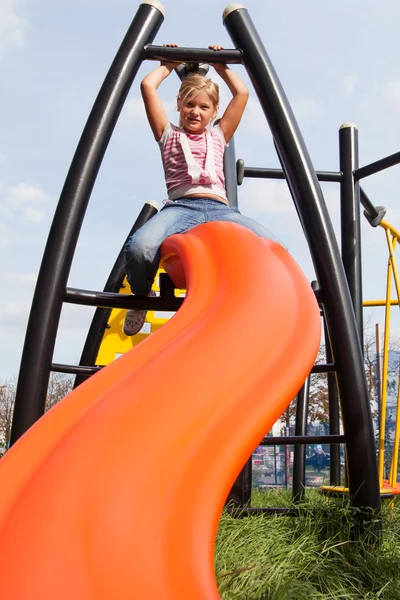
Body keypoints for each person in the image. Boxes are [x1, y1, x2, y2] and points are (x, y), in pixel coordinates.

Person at [123, 45, 278, 336]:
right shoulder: (167, 134)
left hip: (221, 209)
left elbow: (242, 94)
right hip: (181, 207)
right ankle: (141, 297)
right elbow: (147, 85)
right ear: (179, 105)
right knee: (140, 248)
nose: (196, 112)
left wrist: (221, 65)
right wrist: (168, 65)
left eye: (204, 107)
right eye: (190, 105)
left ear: (214, 111)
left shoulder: (219, 134)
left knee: (273, 246)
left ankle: (259, 303)